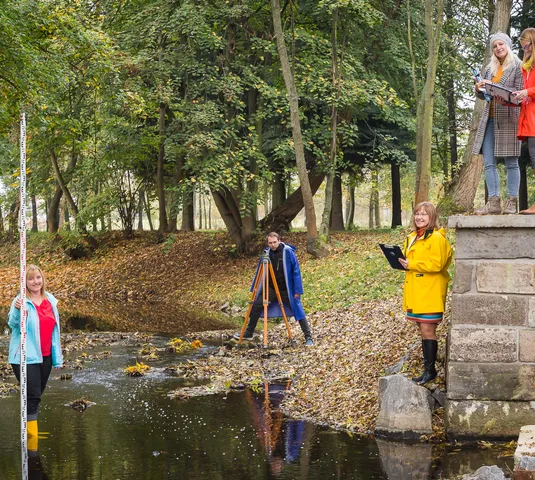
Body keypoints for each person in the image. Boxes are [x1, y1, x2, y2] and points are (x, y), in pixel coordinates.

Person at [8, 265, 63, 451]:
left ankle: (29, 429)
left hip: (45, 356)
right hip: (24, 356)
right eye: (31, 279)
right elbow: (13, 325)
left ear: (42, 278)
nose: (35, 282)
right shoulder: (20, 300)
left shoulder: (51, 301)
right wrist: (17, 310)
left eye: (38, 277)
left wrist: (58, 358)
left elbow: (55, 332)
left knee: (36, 394)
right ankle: (31, 440)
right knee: (32, 396)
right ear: (25, 282)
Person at [398, 203, 452, 385]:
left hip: (430, 290)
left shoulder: (437, 238)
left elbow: (436, 264)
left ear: (432, 217)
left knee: (428, 329)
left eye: (424, 214)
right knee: (423, 329)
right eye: (417, 214)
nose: (419, 217)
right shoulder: (413, 236)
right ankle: (427, 370)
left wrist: (411, 264)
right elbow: (411, 260)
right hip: (417, 290)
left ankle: (431, 371)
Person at [473, 32, 523, 215]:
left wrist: (497, 90)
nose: (498, 48)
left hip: (510, 118)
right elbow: (485, 96)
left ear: (508, 46)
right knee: (488, 162)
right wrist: (479, 88)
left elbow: (519, 93)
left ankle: (511, 202)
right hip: (490, 118)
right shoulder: (489, 68)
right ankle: (493, 202)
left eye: (501, 44)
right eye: (495, 46)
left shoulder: (517, 66)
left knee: (511, 162)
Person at [234, 232, 313, 346]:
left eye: (274, 242)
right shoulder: (266, 253)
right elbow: (259, 273)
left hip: (286, 289)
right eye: (270, 243)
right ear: (267, 243)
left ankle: (308, 337)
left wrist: (297, 290)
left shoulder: (288, 253)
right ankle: (249, 333)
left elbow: (296, 272)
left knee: (298, 309)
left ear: (279, 241)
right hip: (271, 288)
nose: (273, 245)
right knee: (256, 305)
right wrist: (255, 288)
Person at [514, 28, 535, 214]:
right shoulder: (525, 67)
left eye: (527, 46)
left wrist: (528, 92)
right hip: (529, 119)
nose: (525, 50)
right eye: (522, 48)